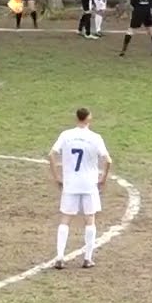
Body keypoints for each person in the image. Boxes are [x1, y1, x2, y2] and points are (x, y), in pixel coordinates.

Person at [48, 107, 112, 269]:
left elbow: (51, 154)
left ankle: (60, 257)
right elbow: (108, 160)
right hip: (89, 184)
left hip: (70, 183)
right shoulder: (95, 138)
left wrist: (57, 177)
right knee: (90, 219)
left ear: (77, 118)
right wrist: (103, 179)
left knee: (65, 219)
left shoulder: (66, 135)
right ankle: (87, 258)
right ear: (89, 119)